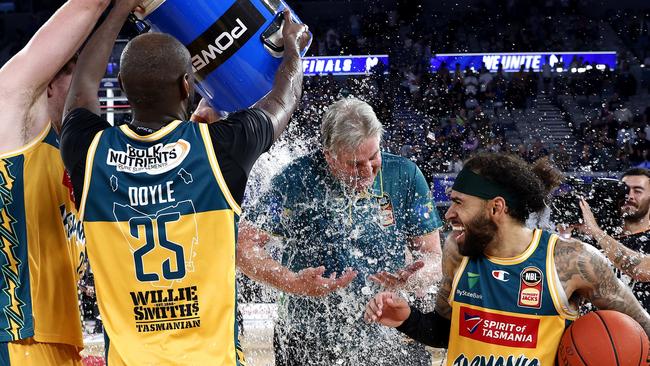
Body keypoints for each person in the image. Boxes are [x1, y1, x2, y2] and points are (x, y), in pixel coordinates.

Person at [60, 3, 309, 364]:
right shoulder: (218, 149)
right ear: (186, 85)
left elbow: (82, 89)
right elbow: (285, 96)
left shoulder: (92, 152)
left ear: (124, 88)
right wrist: (291, 49)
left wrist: (118, 10)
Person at [365, 153, 650, 366]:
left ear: (496, 208)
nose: (449, 213)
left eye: (459, 202)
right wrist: (406, 319)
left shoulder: (571, 260)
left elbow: (643, 326)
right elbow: (445, 331)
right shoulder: (457, 251)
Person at [237, 97, 443, 365]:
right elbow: (243, 246)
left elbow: (434, 258)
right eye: (355, 164)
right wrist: (291, 281)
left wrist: (414, 278)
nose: (368, 171)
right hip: (309, 338)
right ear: (328, 155)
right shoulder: (294, 180)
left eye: (374, 157)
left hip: (389, 334)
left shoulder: (405, 175)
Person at [0, 0, 110, 364]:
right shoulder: (12, 121)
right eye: (74, 80)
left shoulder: (69, 160)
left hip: (58, 342)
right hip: (17, 339)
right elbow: (87, 6)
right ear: (46, 86)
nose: (85, 92)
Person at [577, 168, 650, 311]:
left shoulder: (600, 236)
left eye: (638, 191)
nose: (629, 196)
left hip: (640, 330)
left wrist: (596, 231)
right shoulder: (598, 239)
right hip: (595, 328)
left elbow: (642, 270)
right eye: (624, 190)